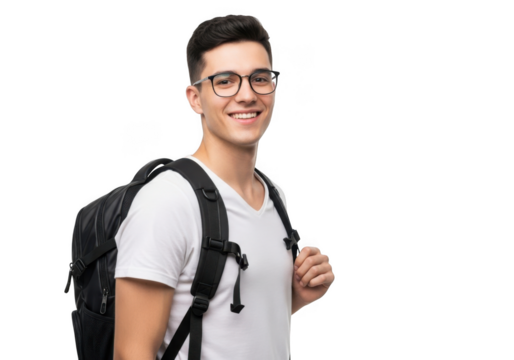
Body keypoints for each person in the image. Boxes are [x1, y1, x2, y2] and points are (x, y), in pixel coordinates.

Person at [113, 14, 335, 360]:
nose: (247, 95)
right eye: (225, 81)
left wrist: (297, 296)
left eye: (259, 78)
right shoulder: (167, 202)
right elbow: (131, 352)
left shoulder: (274, 195)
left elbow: (229, 324)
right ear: (195, 98)